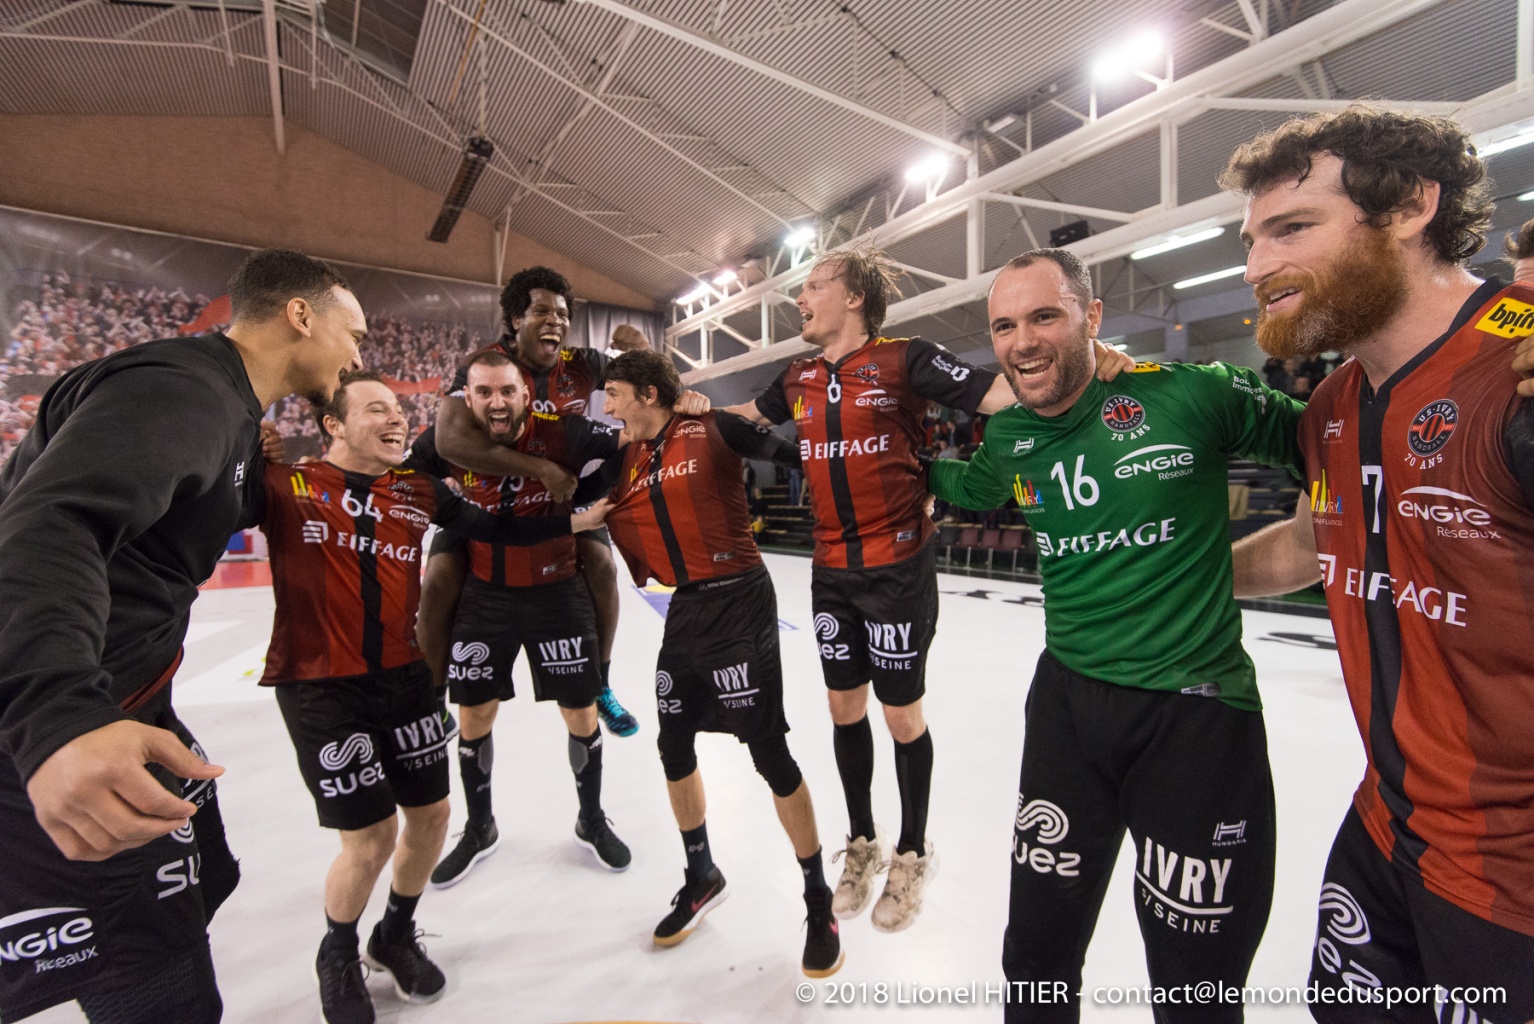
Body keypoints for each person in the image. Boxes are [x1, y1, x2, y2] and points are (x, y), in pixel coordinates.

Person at [926, 248, 1303, 1023]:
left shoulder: (1190, 393)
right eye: (1004, 326)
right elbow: (964, 485)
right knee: (1034, 962)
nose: (1023, 342)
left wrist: (1325, 537)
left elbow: (1328, 439)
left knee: (1195, 991)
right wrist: (901, 469)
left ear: (1092, 317)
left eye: (1045, 316)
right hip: (1066, 708)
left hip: (1195, 716)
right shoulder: (1011, 435)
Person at [1223, 106, 1534, 1021]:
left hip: (1513, 884)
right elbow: (1316, 540)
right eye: (1251, 239)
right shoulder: (1331, 403)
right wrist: (1158, 573)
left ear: (1409, 207)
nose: (1256, 267)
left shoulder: (1516, 365)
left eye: (1292, 228)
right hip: (1384, 830)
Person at [723, 245, 1133, 933]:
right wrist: (687, 406)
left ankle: (912, 851)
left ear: (854, 296)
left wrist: (1094, 360)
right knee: (842, 708)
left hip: (896, 570)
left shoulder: (905, 359)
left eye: (814, 285)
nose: (800, 298)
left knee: (900, 716)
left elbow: (1003, 394)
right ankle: (862, 841)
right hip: (830, 571)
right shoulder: (796, 376)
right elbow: (745, 417)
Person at [0, 249, 364, 1023]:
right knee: (158, 983)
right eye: (354, 333)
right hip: (59, 725)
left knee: (201, 888)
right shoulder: (183, 391)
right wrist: (57, 716)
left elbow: (161, 527)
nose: (359, 356)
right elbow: (51, 523)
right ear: (301, 316)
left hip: (127, 703)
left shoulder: (221, 405)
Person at [255, 370, 606, 1024]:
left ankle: (395, 933)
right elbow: (197, 504)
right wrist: (248, 449)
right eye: (376, 409)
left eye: (398, 409)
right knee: (370, 838)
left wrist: (578, 518)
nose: (397, 419)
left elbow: (497, 530)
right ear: (332, 424)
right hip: (321, 684)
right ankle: (338, 953)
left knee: (432, 818)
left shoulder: (417, 489)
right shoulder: (285, 485)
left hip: (407, 678)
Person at [592, 349, 842, 976]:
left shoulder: (715, 427)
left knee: (769, 753)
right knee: (673, 746)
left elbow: (804, 459)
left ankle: (818, 899)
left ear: (649, 393)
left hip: (741, 603)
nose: (609, 407)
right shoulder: (630, 456)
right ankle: (702, 873)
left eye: (615, 393)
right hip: (685, 608)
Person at [413, 351, 632, 887]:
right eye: (484, 392)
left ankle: (591, 820)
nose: (497, 402)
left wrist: (590, 493)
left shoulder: (565, 430)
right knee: (474, 716)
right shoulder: (447, 441)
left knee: (580, 713)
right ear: (466, 398)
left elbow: (628, 445)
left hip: (558, 590)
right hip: (486, 594)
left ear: (527, 395)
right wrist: (448, 507)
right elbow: (404, 474)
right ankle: (480, 828)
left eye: (507, 391)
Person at [421, 266, 639, 740]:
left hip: (557, 500)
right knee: (437, 580)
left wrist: (639, 351)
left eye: (562, 313)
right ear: (516, 319)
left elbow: (645, 382)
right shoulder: (486, 365)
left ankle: (601, 684)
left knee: (604, 567)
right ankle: (431, 698)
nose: (555, 320)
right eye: (541, 311)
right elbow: (451, 442)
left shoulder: (583, 363)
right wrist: (541, 468)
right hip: (487, 500)